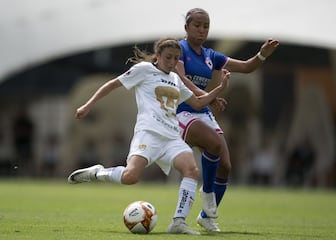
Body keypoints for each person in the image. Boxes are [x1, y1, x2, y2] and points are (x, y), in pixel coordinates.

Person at [67, 37, 230, 235]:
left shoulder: (175, 79)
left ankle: (178, 221)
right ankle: (97, 173)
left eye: (176, 58)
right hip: (149, 135)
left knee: (192, 171)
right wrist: (87, 105)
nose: (171, 62)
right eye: (168, 57)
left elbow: (197, 103)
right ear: (158, 55)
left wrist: (219, 90)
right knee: (130, 177)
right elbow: (112, 84)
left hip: (171, 138)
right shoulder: (143, 70)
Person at [175, 8, 279, 232]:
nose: (202, 30)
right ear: (186, 27)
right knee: (213, 143)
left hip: (203, 110)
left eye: (206, 26)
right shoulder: (178, 49)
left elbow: (246, 67)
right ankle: (207, 193)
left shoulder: (211, 56)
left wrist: (262, 55)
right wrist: (209, 97)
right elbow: (182, 81)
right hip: (182, 110)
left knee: (225, 165)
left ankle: (205, 216)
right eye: (197, 25)